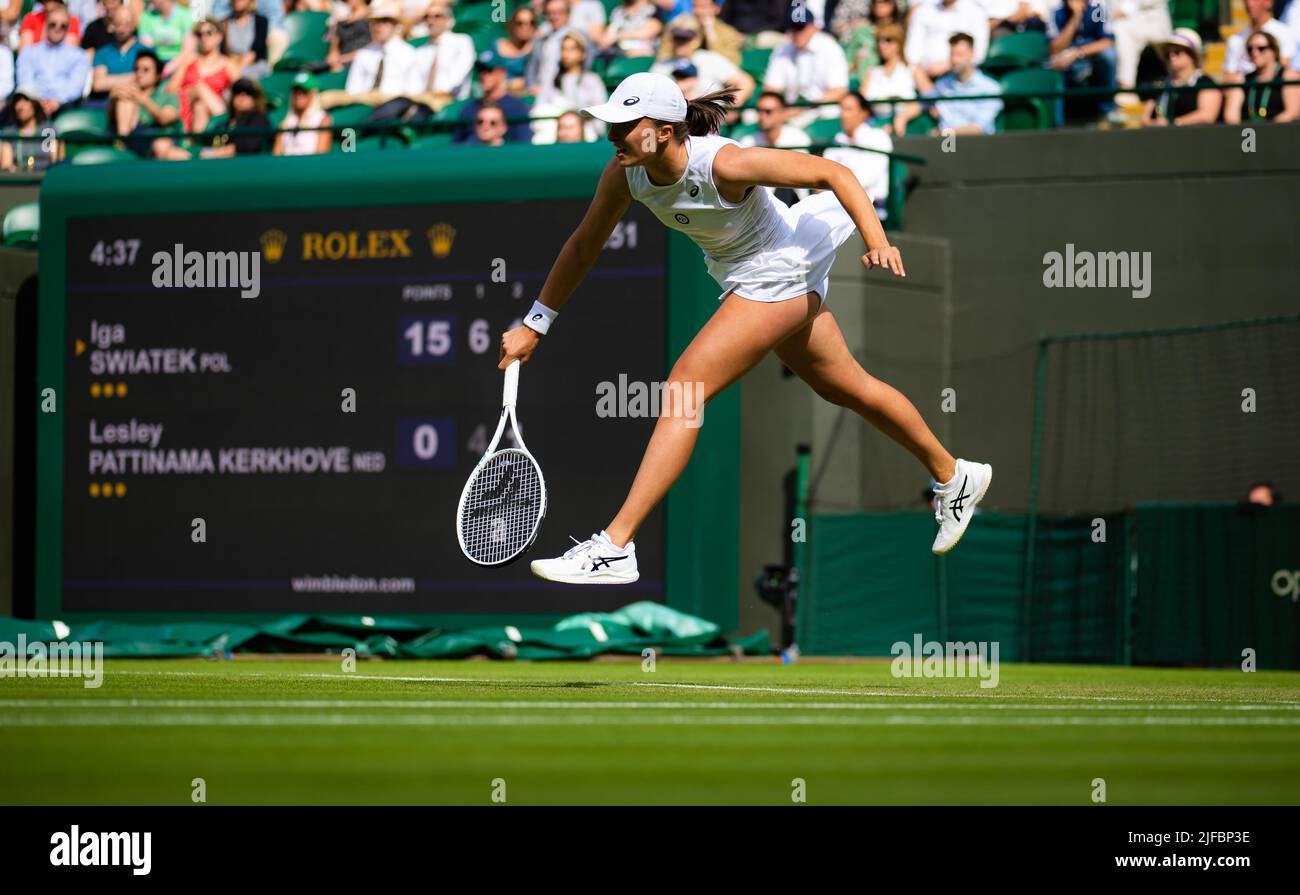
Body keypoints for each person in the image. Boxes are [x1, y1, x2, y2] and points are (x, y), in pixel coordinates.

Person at [505, 72, 992, 583]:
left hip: (780, 265)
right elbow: (584, 245)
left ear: (665, 131)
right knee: (846, 387)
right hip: (747, 275)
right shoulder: (623, 173)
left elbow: (836, 173)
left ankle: (616, 545)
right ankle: (954, 474)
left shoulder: (724, 163)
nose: (613, 135)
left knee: (684, 390)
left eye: (626, 126)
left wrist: (877, 239)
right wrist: (536, 324)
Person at [762, 6, 848, 119]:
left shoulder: (830, 48)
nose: (797, 32)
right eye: (793, 27)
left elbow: (838, 91)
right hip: (787, 111)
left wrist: (803, 108)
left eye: (801, 27)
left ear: (813, 27)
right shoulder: (782, 50)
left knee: (830, 111)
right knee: (756, 115)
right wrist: (781, 111)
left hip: (818, 109)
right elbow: (771, 88)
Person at [652, 14, 754, 103]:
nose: (680, 43)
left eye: (685, 39)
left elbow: (745, 82)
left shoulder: (709, 60)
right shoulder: (663, 65)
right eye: (677, 38)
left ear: (697, 40)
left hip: (709, 119)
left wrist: (731, 105)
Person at [15, 5, 90, 118]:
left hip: (65, 106)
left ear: (68, 28)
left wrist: (57, 101)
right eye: (53, 24)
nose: (57, 28)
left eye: (63, 26)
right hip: (34, 105)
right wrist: (38, 100)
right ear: (45, 24)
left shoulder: (79, 56)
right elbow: (25, 81)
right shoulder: (29, 53)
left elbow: (76, 87)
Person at [822, 91, 892, 210]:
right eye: (842, 109)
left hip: (873, 207)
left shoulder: (879, 138)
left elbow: (868, 178)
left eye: (848, 109)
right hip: (837, 204)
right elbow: (823, 177)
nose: (843, 115)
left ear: (864, 114)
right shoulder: (836, 140)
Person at [1048, 0, 1118, 119]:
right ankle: (1056, 122)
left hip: (1090, 56)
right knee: (1053, 64)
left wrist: (1077, 53)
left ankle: (1107, 111)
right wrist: (1076, 17)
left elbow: (1107, 42)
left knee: (1109, 56)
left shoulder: (1098, 7)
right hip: (1065, 59)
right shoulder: (1056, 8)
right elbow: (1055, 49)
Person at [922, 32, 1003, 134]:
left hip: (978, 145)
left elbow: (977, 129)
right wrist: (902, 118)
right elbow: (921, 103)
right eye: (952, 54)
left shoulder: (991, 89)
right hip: (947, 146)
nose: (954, 60)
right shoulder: (942, 84)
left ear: (971, 54)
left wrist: (943, 133)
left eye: (959, 55)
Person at [108, 47, 180, 158]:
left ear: (157, 75)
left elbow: (165, 119)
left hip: (157, 140)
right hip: (133, 139)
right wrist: (113, 99)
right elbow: (111, 120)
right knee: (125, 100)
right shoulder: (128, 94)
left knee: (163, 147)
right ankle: (122, 148)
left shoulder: (167, 97)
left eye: (145, 70)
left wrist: (142, 99)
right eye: (137, 69)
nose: (139, 73)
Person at [1141, 28, 1221, 126]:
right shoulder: (1161, 84)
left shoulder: (1205, 82)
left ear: (1192, 56)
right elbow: (1145, 118)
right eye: (1167, 54)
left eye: (1177, 52)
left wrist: (1174, 123)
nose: (1171, 56)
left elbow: (1207, 116)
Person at [451, 50, 534, 142]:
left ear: (502, 72)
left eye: (489, 70)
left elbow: (522, 144)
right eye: (481, 70)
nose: (484, 75)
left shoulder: (517, 107)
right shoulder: (468, 109)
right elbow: (456, 145)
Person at [171, 18, 236, 132]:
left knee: (200, 106)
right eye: (200, 34)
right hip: (185, 108)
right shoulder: (189, 60)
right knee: (199, 89)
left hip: (209, 114)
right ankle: (225, 122)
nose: (204, 38)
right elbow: (170, 90)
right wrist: (191, 91)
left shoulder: (228, 64)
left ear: (219, 37)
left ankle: (199, 143)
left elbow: (241, 89)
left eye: (209, 33)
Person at [860, 22, 923, 135]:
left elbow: (929, 99)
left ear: (899, 43)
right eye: (879, 41)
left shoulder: (912, 69)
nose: (882, 45)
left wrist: (903, 117)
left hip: (907, 128)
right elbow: (860, 105)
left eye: (888, 40)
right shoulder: (872, 72)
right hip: (875, 126)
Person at [1224, 30, 1300, 122]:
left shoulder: (1287, 76)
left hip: (1280, 132)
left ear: (1274, 51)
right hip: (1247, 134)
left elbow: (1292, 112)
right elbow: (1231, 116)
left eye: (1261, 48)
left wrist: (1265, 131)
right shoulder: (1243, 79)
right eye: (1250, 49)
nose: (1254, 52)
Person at [905, 0, 989, 78]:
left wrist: (949, 65)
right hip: (923, 78)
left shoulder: (976, 12)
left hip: (961, 78)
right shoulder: (923, 11)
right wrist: (927, 89)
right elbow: (912, 56)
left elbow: (978, 55)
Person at [1224, 0, 1295, 83]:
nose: (1249, 4)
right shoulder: (1235, 39)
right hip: (1244, 90)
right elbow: (1229, 77)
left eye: (1261, 48)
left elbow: (1284, 67)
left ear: (1269, 2)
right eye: (1250, 49)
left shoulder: (1285, 33)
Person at [1110, 0, 1171, 93]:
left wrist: (1125, 9)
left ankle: (1176, 82)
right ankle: (1126, 89)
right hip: (1123, 21)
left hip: (1155, 17)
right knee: (1119, 31)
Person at [0, 83, 61, 170]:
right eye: (16, 102)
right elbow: (6, 165)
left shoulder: (49, 131)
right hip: (19, 180)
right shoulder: (9, 133)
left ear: (35, 104)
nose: (19, 106)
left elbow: (56, 161)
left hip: (45, 178)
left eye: (25, 100)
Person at [88, 5, 139, 105]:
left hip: (135, 102)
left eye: (126, 24)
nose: (121, 29)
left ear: (134, 26)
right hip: (104, 104)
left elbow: (150, 80)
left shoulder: (144, 50)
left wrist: (111, 81)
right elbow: (98, 84)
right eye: (118, 24)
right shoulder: (102, 52)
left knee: (125, 101)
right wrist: (134, 77)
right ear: (111, 26)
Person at [275, 70, 332, 154]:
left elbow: (321, 155)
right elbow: (277, 153)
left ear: (313, 94)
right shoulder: (284, 123)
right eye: (296, 91)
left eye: (303, 92)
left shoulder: (322, 120)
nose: (298, 95)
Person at [596, 0, 661, 59]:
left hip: (645, 56)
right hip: (620, 55)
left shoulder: (651, 9)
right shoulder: (618, 12)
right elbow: (605, 41)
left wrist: (618, 35)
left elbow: (649, 32)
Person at [138, 0, 194, 69]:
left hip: (179, 65)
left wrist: (170, 67)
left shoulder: (185, 15)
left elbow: (188, 50)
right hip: (154, 66)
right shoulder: (146, 16)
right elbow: (147, 48)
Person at [223, 0, 270, 81]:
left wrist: (237, 68)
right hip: (230, 65)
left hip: (254, 66)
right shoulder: (224, 23)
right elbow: (223, 53)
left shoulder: (261, 22)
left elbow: (254, 52)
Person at [496, 5, 538, 95]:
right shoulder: (497, 46)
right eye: (520, 23)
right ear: (512, 24)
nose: (526, 27)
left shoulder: (540, 48)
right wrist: (508, 84)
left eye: (531, 23)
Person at [327, 0, 373, 73]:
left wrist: (344, 59)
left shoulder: (372, 17)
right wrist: (333, 55)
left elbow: (373, 46)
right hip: (339, 61)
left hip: (358, 62)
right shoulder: (342, 15)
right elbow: (335, 42)